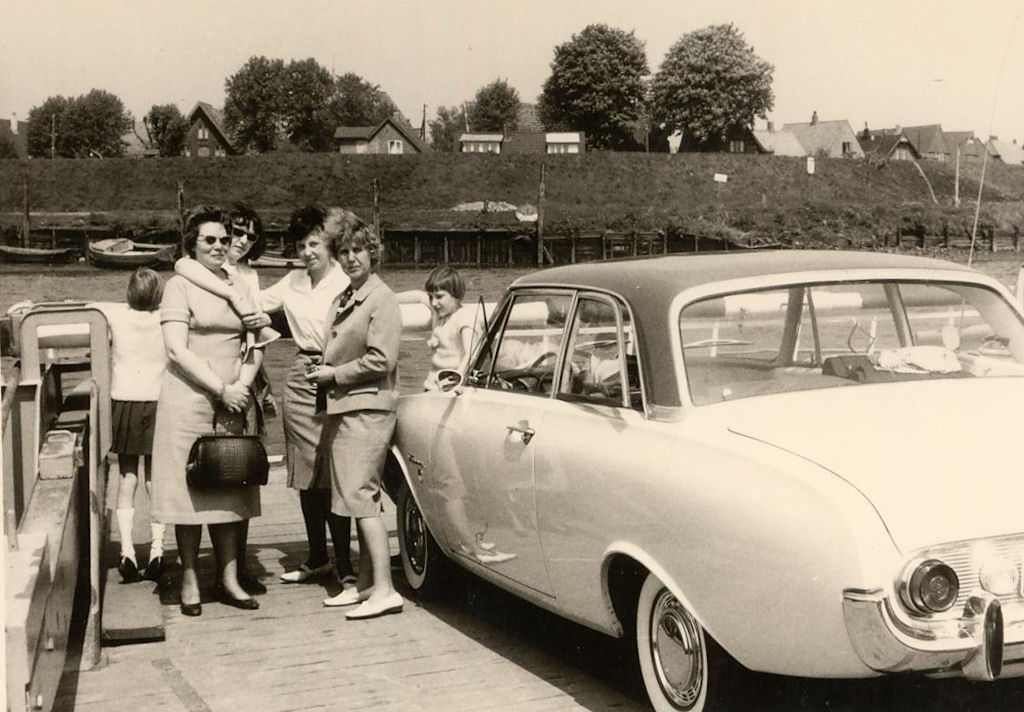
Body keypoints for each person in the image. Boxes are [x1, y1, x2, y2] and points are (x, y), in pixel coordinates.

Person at [151, 205, 265, 616]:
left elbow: (257, 343)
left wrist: (242, 387)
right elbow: (175, 349)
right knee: (188, 494)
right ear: (192, 244)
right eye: (209, 240)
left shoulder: (240, 285)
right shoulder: (179, 286)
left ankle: (229, 578)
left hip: (232, 399)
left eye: (223, 239)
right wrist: (220, 388)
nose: (219, 246)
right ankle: (189, 579)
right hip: (189, 399)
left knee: (230, 488)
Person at [242, 205, 357, 585]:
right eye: (301, 245)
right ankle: (317, 557)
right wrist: (264, 317)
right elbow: (251, 301)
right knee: (306, 473)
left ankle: (345, 564)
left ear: (328, 243)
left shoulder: (346, 278)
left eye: (313, 244)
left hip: (338, 374)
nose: (307, 252)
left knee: (335, 470)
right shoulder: (291, 281)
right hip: (300, 376)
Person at [307, 217, 404, 618]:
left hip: (367, 409)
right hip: (346, 408)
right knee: (353, 497)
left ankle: (386, 590)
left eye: (358, 250)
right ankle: (365, 585)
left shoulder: (381, 299)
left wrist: (334, 374)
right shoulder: (347, 296)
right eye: (344, 251)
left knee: (361, 498)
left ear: (373, 253)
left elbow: (383, 359)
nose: (350, 258)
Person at [100, 268, 168, 583]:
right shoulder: (165, 317)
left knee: (127, 478)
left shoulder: (115, 315)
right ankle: (157, 550)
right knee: (156, 479)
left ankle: (127, 550)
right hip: (158, 402)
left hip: (125, 401)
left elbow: (90, 307)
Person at [405, 265, 483, 391]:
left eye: (439, 296)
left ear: (456, 295)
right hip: (431, 387)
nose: (434, 303)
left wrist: (458, 382)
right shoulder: (439, 314)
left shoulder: (465, 318)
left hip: (451, 388)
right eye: (431, 297)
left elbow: (471, 354)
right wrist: (386, 299)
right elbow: (418, 295)